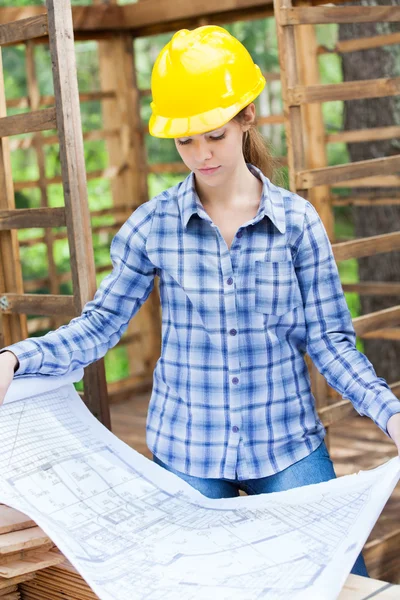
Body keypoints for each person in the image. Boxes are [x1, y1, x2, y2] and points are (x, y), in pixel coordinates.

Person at [1, 25, 400, 578]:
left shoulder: (296, 223)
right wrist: (17, 358)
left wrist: (391, 415)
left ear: (246, 117)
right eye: (186, 141)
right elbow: (99, 327)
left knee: (340, 581)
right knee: (191, 583)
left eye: (213, 135)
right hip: (187, 446)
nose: (201, 154)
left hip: (285, 442)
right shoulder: (152, 226)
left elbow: (330, 342)